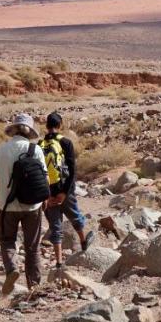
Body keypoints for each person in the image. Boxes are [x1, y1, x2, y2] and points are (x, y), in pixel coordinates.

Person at [0, 113, 49, 296]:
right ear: (30, 132)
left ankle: (12, 267)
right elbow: (44, 178)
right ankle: (34, 286)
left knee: (7, 241)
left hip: (6, 206)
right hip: (32, 206)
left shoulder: (2, 150)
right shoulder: (35, 150)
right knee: (33, 246)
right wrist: (45, 198)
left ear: (13, 130)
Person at [41, 111, 95, 269]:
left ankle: (58, 262)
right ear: (60, 125)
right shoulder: (66, 142)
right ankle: (83, 241)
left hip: (48, 192)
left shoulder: (39, 145)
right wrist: (65, 192)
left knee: (55, 226)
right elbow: (72, 169)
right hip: (65, 190)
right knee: (75, 216)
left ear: (46, 126)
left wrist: (46, 195)